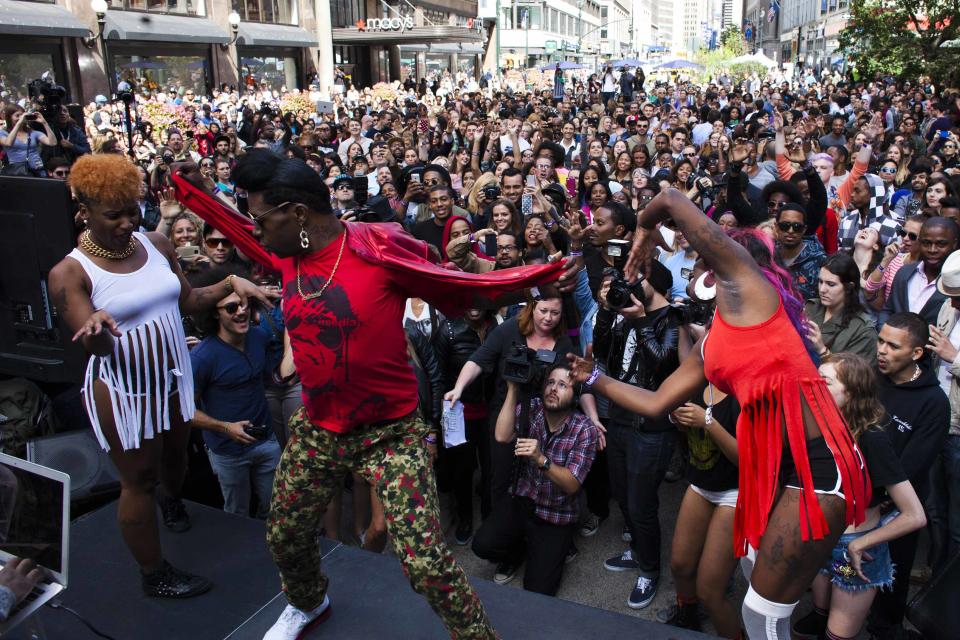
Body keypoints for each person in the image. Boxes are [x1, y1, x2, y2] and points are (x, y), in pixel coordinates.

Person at [171, 150, 576, 640]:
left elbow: (464, 290)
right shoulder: (282, 252)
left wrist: (535, 282)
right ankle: (308, 602)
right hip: (320, 430)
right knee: (284, 535)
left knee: (426, 564)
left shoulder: (374, 253)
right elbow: (236, 227)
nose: (255, 228)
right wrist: (194, 188)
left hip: (392, 436)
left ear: (297, 215)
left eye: (262, 217)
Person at [569, 189, 869, 640]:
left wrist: (645, 232)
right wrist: (592, 379)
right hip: (771, 472)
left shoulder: (754, 293)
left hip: (818, 466)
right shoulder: (714, 340)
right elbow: (656, 402)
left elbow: (671, 199)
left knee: (761, 611)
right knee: (753, 581)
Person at [47, 154, 270, 598]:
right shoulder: (69, 273)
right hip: (124, 391)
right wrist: (96, 331)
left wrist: (232, 284)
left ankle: (170, 501)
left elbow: (188, 302)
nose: (127, 221)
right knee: (140, 479)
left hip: (171, 379)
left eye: (132, 209)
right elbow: (97, 346)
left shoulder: (155, 244)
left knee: (176, 463)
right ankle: (155, 575)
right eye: (114, 214)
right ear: (84, 211)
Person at [792, 353, 927, 640]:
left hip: (854, 548)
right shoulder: (818, 428)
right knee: (820, 613)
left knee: (836, 636)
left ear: (851, 393)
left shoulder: (871, 439)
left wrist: (862, 543)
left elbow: (914, 515)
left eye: (824, 382)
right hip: (821, 540)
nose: (813, 387)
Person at [592, 259, 683, 609]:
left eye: (635, 279)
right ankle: (637, 551)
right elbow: (602, 354)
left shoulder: (670, 319)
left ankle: (649, 568)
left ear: (654, 282)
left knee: (642, 502)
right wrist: (605, 311)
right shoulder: (624, 313)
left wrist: (642, 321)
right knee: (621, 492)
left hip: (651, 426)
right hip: (619, 416)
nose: (627, 286)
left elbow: (661, 364)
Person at [471, 365, 599, 595]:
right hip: (524, 498)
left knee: (539, 590)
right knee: (482, 545)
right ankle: (517, 550)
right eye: (550, 382)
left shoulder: (584, 429)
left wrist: (542, 459)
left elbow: (572, 484)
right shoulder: (533, 408)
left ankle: (558, 546)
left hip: (556, 513)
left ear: (575, 395)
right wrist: (512, 389)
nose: (553, 389)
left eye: (563, 385)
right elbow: (502, 435)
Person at [871, 313, 951, 639]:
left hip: (896, 509)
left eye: (892, 346)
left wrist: (880, 497)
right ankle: (831, 614)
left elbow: (912, 465)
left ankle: (883, 627)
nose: (882, 351)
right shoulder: (873, 377)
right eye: (880, 341)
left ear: (917, 353)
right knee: (847, 566)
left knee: (890, 574)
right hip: (855, 497)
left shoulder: (934, 402)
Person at [188, 268, 282, 519]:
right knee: (237, 515)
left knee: (274, 510)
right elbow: (184, 411)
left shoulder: (259, 337)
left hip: (266, 441)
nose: (241, 311)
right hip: (227, 451)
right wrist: (225, 428)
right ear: (214, 315)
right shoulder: (202, 358)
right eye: (231, 308)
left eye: (244, 305)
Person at [804, 252, 878, 361]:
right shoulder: (811, 307)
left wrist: (822, 351)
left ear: (849, 287)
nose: (822, 289)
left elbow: (858, 375)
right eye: (820, 282)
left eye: (831, 284)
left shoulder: (863, 330)